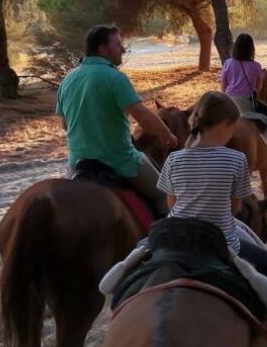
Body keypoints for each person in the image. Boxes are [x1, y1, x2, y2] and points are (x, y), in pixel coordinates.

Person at [157, 91, 267, 347]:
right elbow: (235, 208)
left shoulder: (174, 160)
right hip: (218, 240)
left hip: (174, 238)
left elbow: (171, 202)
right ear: (224, 126)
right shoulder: (235, 161)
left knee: (136, 262)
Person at [55, 24, 178, 215]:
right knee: (165, 197)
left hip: (76, 162)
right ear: (103, 49)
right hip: (119, 160)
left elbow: (65, 124)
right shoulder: (114, 77)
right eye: (118, 44)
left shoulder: (67, 79)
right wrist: (167, 134)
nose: (123, 49)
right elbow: (144, 118)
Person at [221, 33, 267, 167]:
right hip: (246, 103)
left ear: (235, 48)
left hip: (229, 103)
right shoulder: (256, 66)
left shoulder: (228, 63)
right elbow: (258, 88)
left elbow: (223, 86)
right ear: (251, 49)